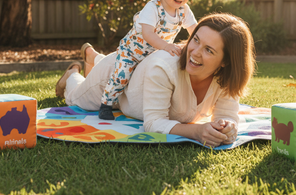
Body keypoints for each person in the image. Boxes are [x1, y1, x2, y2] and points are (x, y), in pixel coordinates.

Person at [54, 13, 255, 148]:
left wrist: (227, 127)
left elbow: (228, 115)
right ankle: (73, 74)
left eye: (209, 50)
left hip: (140, 76)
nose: (195, 52)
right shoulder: (165, 66)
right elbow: (153, 123)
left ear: (226, 62)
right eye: (195, 40)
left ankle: (93, 57)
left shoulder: (227, 80)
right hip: (115, 77)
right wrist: (198, 131)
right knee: (74, 98)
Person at [95, 0, 202, 120]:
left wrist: (200, 42)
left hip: (154, 53)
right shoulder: (153, 8)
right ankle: (106, 103)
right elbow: (148, 34)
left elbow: (194, 29)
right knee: (121, 76)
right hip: (132, 53)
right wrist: (166, 46)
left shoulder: (183, 10)